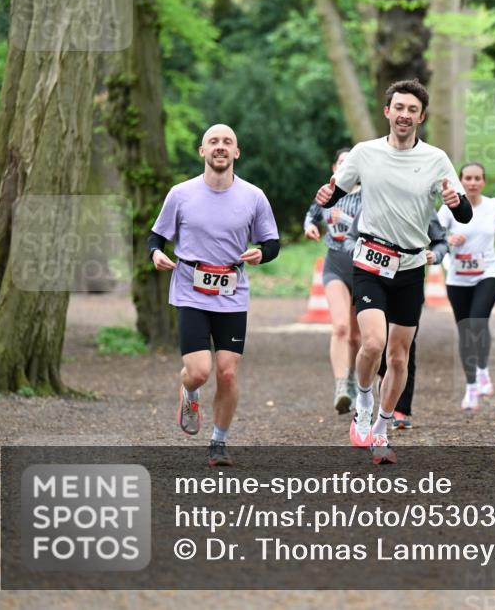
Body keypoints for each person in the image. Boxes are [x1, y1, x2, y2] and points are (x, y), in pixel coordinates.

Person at [315, 79, 472, 464]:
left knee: (399, 358)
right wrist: (326, 196)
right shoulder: (365, 153)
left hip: (411, 266)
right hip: (370, 260)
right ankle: (363, 402)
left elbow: (465, 213)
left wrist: (454, 202)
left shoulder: (436, 159)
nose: (404, 115)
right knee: (373, 344)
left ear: (421, 117)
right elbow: (336, 193)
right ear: (387, 111)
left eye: (412, 110)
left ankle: (382, 430)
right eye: (398, 107)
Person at [148, 124, 280, 467]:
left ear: (236, 152)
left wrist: (262, 253)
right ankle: (189, 391)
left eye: (227, 142)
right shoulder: (181, 194)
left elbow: (272, 242)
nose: (220, 146)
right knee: (199, 372)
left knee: (227, 373)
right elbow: (156, 236)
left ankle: (218, 442)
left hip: (232, 292)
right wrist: (155, 254)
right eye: (213, 141)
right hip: (190, 290)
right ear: (202, 151)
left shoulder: (253, 196)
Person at [344, 210, 450, 430]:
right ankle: (369, 396)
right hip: (372, 276)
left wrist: (435, 255)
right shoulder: (374, 199)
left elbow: (441, 242)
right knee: (375, 343)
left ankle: (397, 410)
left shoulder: (422, 203)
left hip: (409, 279)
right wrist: (361, 252)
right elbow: (350, 239)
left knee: (402, 353)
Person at [438, 162, 495, 411]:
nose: (472, 183)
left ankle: (483, 370)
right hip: (458, 278)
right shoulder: (448, 209)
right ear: (460, 181)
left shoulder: (494, 205)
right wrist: (449, 238)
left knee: (478, 321)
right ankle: (471, 386)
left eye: (477, 178)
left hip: (488, 273)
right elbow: (433, 236)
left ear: (484, 181)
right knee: (465, 331)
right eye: (468, 178)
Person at [304, 148, 362, 414]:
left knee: (357, 336)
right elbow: (312, 214)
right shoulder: (326, 192)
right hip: (335, 265)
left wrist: (345, 218)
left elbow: (371, 226)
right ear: (334, 168)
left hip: (361, 268)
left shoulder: (368, 195)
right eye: (341, 162)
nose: (345, 167)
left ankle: (353, 379)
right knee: (340, 327)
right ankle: (341, 387)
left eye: (351, 163)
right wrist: (309, 226)